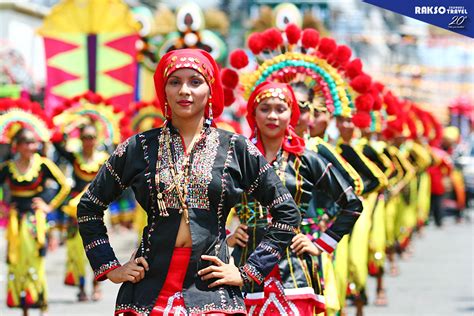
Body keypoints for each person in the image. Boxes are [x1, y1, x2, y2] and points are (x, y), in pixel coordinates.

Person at [77, 49, 301, 315]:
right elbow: (89, 206)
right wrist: (110, 267)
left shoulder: (236, 149)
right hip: (148, 289)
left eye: (195, 82)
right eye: (175, 82)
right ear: (165, 91)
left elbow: (287, 213)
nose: (185, 90)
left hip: (212, 291)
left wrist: (249, 271)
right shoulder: (138, 147)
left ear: (210, 90)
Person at [228, 81, 363, 315]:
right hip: (244, 267)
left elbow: (352, 204)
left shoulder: (306, 160)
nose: (272, 116)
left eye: (280, 109)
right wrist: (227, 236)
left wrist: (320, 243)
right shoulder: (236, 159)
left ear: (292, 114)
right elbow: (206, 203)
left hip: (295, 272)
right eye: (265, 108)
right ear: (253, 113)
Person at [1, 128, 70, 316]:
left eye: (33, 142)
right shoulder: (8, 167)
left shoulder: (43, 165)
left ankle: (40, 301)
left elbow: (64, 185)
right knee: (16, 261)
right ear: (17, 145)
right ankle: (22, 304)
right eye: (26, 142)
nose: (31, 146)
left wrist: (48, 206)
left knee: (35, 260)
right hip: (16, 222)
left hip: (35, 221)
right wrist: (4, 208)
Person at [52, 123, 108, 301]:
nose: (88, 142)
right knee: (76, 250)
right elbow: (56, 143)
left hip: (97, 208)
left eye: (91, 137)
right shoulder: (75, 157)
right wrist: (67, 126)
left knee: (97, 246)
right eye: (84, 138)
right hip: (75, 210)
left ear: (96, 139)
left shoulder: (104, 158)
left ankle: (96, 285)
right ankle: (81, 287)